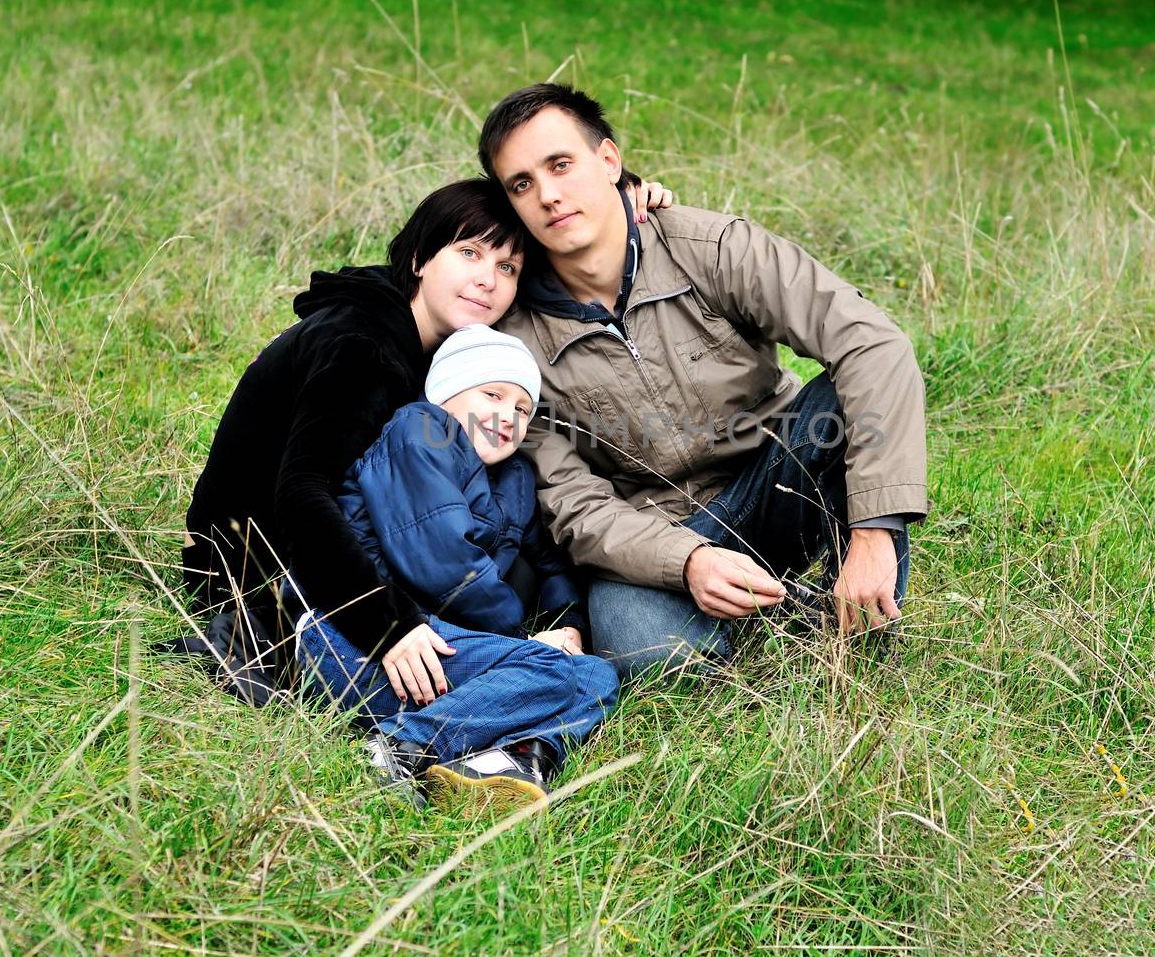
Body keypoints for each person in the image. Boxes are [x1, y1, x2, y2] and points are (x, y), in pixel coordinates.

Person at [481, 83, 930, 681]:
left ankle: (857, 604)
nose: (549, 196)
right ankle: (796, 624)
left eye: (560, 165)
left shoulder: (710, 247)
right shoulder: (511, 345)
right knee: (635, 641)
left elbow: (871, 342)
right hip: (659, 528)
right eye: (522, 184)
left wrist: (875, 531)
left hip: (777, 476)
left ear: (609, 161)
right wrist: (687, 561)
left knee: (843, 404)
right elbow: (575, 505)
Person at [178, 176, 668, 703]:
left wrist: (616, 197)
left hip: (357, 557)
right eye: (468, 253)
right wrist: (389, 626)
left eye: (507, 268)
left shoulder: (440, 353)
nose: (487, 280)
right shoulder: (360, 347)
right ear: (418, 260)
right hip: (265, 579)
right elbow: (302, 496)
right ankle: (263, 650)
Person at [293, 325, 618, 811]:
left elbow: (549, 562)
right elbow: (443, 563)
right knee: (546, 670)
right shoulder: (420, 432)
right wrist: (520, 643)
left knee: (594, 676)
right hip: (361, 635)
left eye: (523, 409)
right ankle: (400, 748)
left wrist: (565, 624)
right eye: (492, 394)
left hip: (438, 647)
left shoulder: (514, 478)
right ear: (449, 389)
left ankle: (511, 760)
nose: (508, 415)